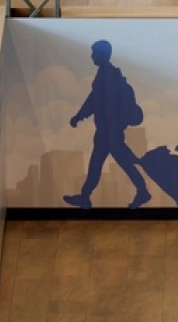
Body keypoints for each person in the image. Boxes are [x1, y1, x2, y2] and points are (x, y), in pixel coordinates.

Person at [63, 40, 151, 210]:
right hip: (108, 131)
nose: (91, 56)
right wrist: (80, 116)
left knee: (109, 163)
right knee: (104, 163)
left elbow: (101, 102)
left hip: (109, 132)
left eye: (94, 52)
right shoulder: (106, 74)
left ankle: (141, 191)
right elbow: (94, 100)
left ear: (102, 54)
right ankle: (86, 196)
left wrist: (80, 117)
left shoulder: (107, 76)